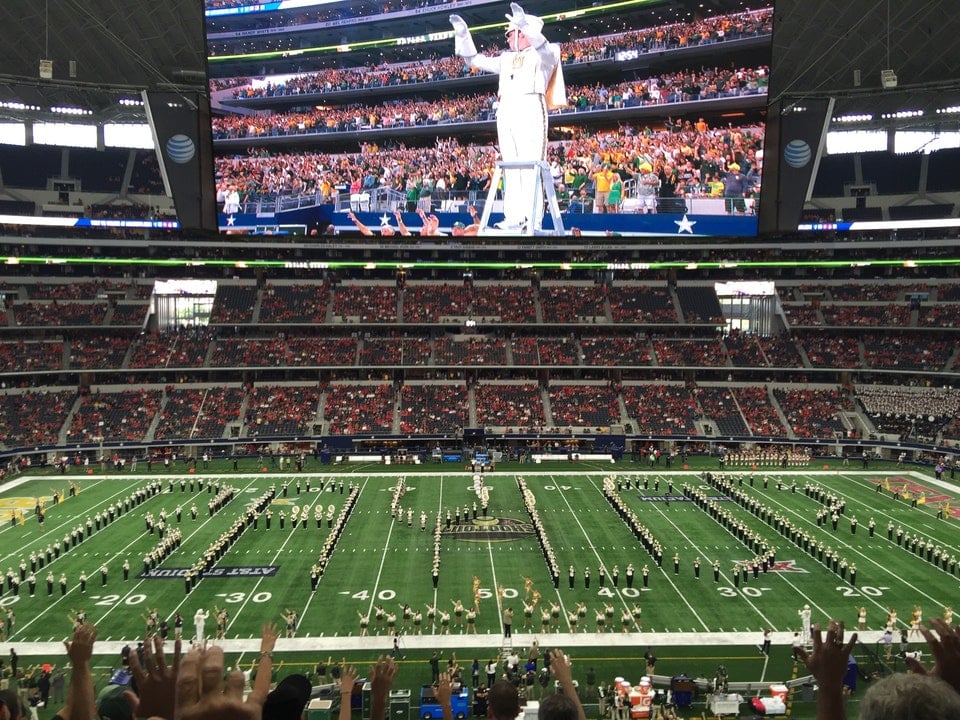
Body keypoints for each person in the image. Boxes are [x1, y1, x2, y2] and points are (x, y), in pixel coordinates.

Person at [450, 3, 566, 232]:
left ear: (523, 33)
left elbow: (545, 51)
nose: (507, 38)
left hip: (531, 105)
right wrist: (463, 34)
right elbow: (474, 60)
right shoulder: (505, 58)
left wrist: (525, 25)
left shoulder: (546, 52)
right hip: (506, 108)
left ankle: (531, 219)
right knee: (510, 165)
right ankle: (513, 216)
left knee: (532, 165)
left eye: (511, 33)